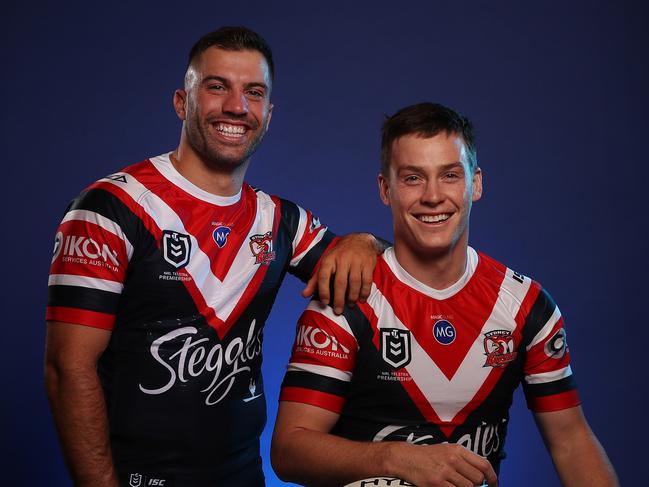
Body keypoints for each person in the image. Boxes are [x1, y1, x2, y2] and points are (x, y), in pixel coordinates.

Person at [45, 26, 383, 487]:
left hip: (243, 476)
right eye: (217, 86)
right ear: (182, 102)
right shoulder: (110, 209)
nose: (237, 107)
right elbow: (68, 368)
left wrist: (364, 240)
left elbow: (371, 274)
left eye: (254, 93)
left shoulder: (282, 221)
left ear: (268, 115)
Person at [271, 102, 619, 487]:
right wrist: (398, 459)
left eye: (450, 175)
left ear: (477, 183)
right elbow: (290, 451)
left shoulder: (526, 306)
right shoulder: (346, 300)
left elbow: (570, 441)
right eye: (413, 178)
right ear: (385, 189)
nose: (433, 196)